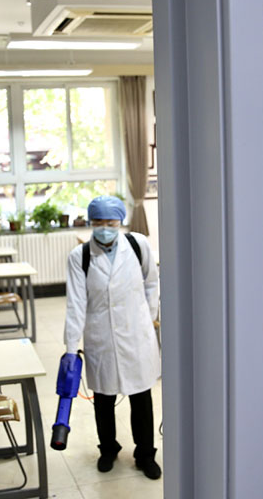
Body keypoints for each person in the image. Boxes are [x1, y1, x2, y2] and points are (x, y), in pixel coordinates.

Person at [63, 195, 161, 480]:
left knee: (140, 397)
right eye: (98, 222)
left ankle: (145, 454)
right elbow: (76, 303)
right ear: (90, 222)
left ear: (120, 222)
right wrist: (71, 348)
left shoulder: (137, 244)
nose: (105, 227)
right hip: (100, 336)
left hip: (136, 334)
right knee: (103, 398)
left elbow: (151, 281)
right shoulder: (79, 256)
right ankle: (108, 449)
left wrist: (148, 315)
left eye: (111, 222)